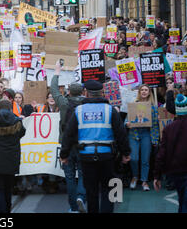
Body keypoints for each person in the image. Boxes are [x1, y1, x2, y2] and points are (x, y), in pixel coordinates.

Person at [60, 80, 131, 213]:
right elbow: (120, 133)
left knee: (91, 191)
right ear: (102, 93)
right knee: (107, 189)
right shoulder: (109, 110)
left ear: (86, 93)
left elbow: (68, 134)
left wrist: (64, 155)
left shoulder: (79, 111)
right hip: (107, 156)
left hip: (86, 156)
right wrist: (125, 153)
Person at [51, 60, 86, 213]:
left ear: (69, 92)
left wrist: (57, 71)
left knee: (70, 176)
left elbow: (53, 89)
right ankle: (81, 197)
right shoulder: (87, 104)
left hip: (67, 145)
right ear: (83, 93)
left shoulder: (64, 103)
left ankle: (73, 208)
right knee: (84, 174)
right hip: (84, 144)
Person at [153, 94, 187, 213]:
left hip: (175, 171)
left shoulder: (168, 128)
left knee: (182, 200)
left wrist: (157, 176)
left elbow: (161, 153)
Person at [125, 84, 159, 191]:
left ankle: (144, 181)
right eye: (142, 90)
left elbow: (155, 125)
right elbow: (126, 121)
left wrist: (155, 138)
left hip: (146, 134)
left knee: (145, 159)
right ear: (139, 92)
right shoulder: (133, 105)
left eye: (146, 90)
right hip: (134, 134)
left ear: (149, 92)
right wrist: (127, 124)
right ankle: (135, 177)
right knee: (134, 158)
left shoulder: (153, 107)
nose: (144, 92)